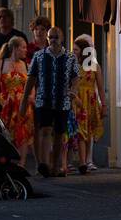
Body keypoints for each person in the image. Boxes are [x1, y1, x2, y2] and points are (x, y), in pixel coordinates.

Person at [18, 26, 79, 178]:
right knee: (44, 130)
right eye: (50, 37)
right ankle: (44, 164)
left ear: (62, 38)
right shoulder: (39, 56)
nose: (52, 40)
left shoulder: (71, 57)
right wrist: (24, 100)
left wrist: (74, 91)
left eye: (56, 37)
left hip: (62, 101)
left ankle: (55, 166)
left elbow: (76, 77)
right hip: (43, 100)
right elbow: (31, 78)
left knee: (59, 134)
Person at [0, 36, 34, 169]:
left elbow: (31, 84)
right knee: (8, 132)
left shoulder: (26, 65)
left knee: (24, 131)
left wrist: (31, 96)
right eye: (23, 47)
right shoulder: (2, 63)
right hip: (7, 102)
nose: (25, 50)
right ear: (15, 48)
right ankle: (10, 160)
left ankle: (21, 163)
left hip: (23, 103)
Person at [71, 34, 106, 174]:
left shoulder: (95, 66)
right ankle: (82, 162)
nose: (73, 52)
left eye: (76, 50)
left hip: (90, 101)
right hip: (77, 101)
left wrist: (104, 106)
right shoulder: (73, 66)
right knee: (79, 131)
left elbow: (101, 88)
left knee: (89, 131)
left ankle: (88, 160)